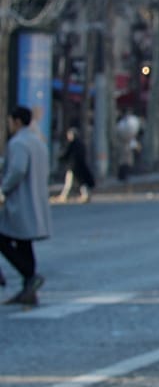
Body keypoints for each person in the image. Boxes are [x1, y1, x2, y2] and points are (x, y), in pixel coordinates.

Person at [1, 106, 51, 305]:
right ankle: (28, 289)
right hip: (35, 200)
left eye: (9, 121)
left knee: (4, 238)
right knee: (24, 243)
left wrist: (3, 189)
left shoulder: (18, 143)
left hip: (20, 202)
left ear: (16, 121)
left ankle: (30, 277)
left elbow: (17, 170)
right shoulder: (37, 142)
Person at [56, 126, 95, 203]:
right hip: (80, 166)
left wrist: (60, 157)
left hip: (73, 166)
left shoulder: (72, 143)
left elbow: (67, 153)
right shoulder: (81, 143)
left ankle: (64, 196)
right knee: (80, 182)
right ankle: (85, 195)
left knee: (70, 182)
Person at [114, 109, 141, 183]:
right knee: (125, 162)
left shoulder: (123, 124)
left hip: (125, 146)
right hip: (124, 146)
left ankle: (123, 176)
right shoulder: (123, 125)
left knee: (125, 161)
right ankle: (122, 176)